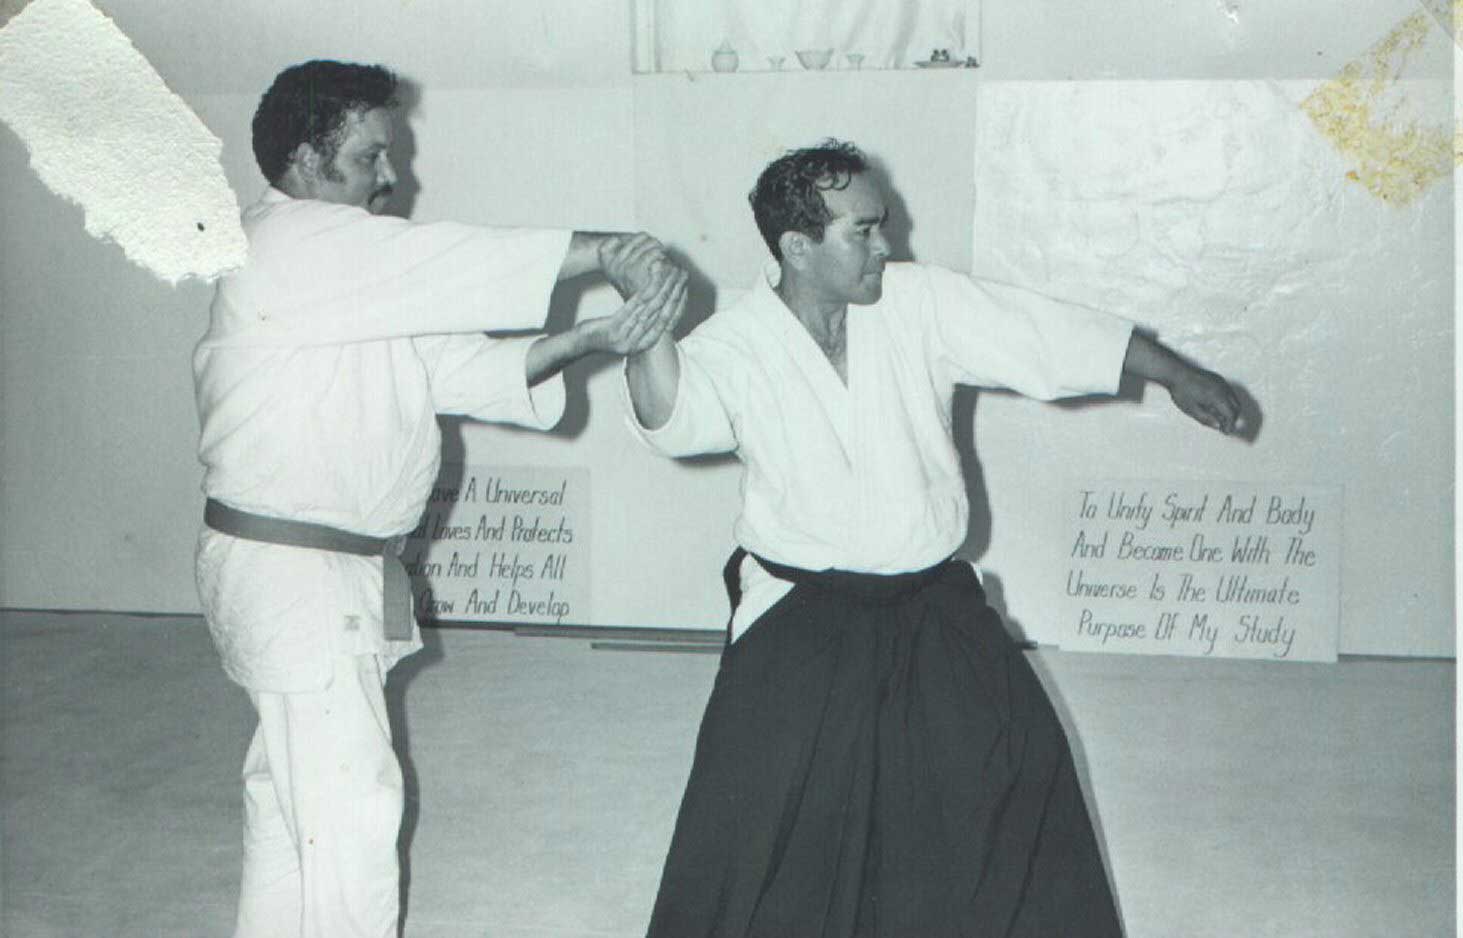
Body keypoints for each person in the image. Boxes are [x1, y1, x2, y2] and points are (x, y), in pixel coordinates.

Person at [623, 140, 1246, 936]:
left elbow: (1042, 333)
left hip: (929, 600)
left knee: (1016, 766)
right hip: (800, 614)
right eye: (865, 231)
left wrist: (1175, 372)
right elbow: (674, 419)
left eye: (883, 227)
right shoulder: (737, 341)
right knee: (755, 817)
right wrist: (646, 334)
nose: (888, 246)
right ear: (796, 246)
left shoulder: (918, 303)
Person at [193, 60, 685, 938]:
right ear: (307, 158)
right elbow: (453, 257)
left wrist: (597, 336)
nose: (393, 177)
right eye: (372, 155)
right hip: (297, 572)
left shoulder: (341, 279)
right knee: (350, 813)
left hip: (311, 571)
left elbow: (461, 367)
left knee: (293, 804)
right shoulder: (291, 240)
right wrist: (605, 250)